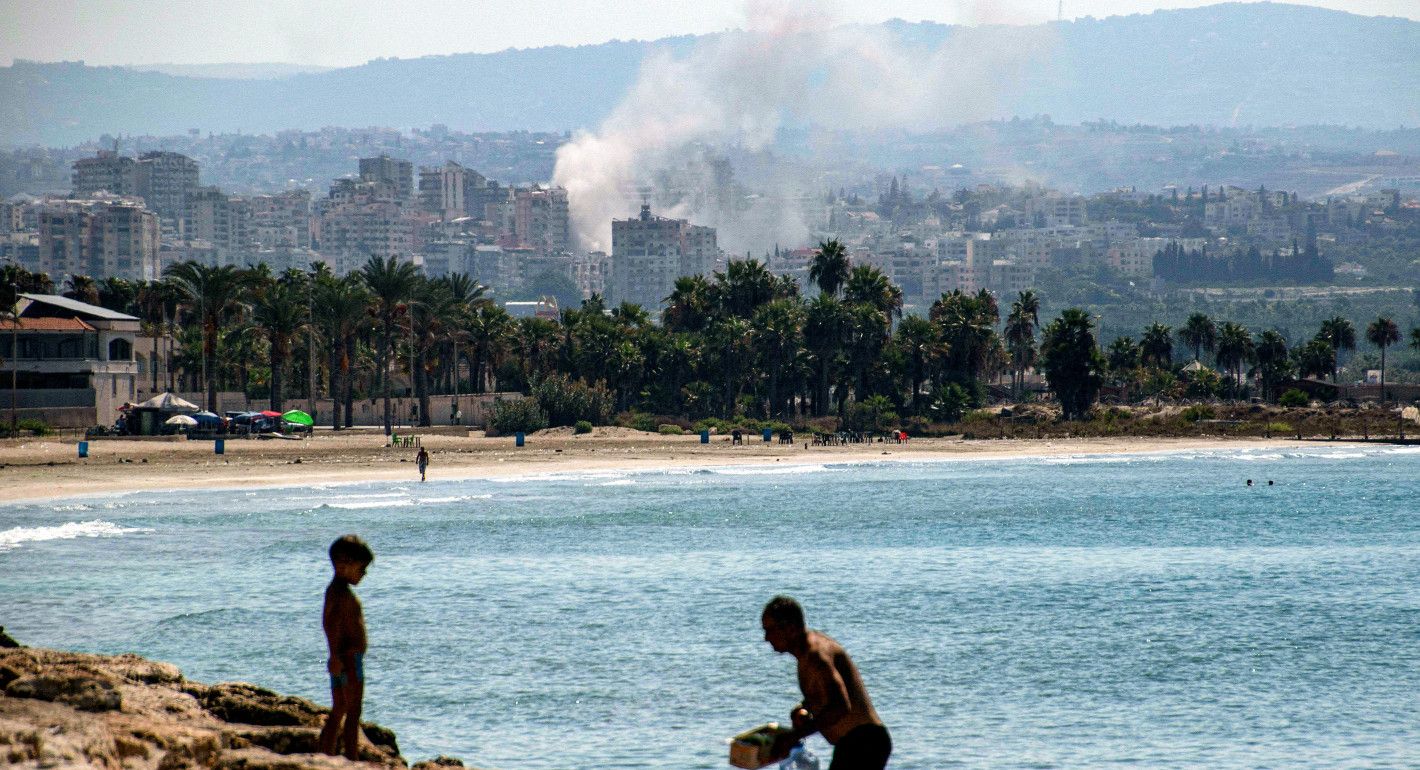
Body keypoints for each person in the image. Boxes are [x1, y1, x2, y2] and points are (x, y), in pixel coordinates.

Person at [761, 596, 891, 770]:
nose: (766, 638)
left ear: (790, 628)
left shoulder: (816, 656)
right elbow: (828, 695)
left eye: (770, 630)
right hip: (855, 744)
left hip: (863, 743)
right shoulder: (807, 652)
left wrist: (793, 737)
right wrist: (805, 708)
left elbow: (841, 706)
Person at [319, 535, 373, 760]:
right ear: (344, 565)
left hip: (344, 658)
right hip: (348, 660)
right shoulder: (339, 593)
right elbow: (329, 623)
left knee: (340, 708)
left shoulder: (338, 591)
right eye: (361, 568)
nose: (364, 574)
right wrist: (334, 656)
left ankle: (326, 754)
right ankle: (352, 758)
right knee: (352, 713)